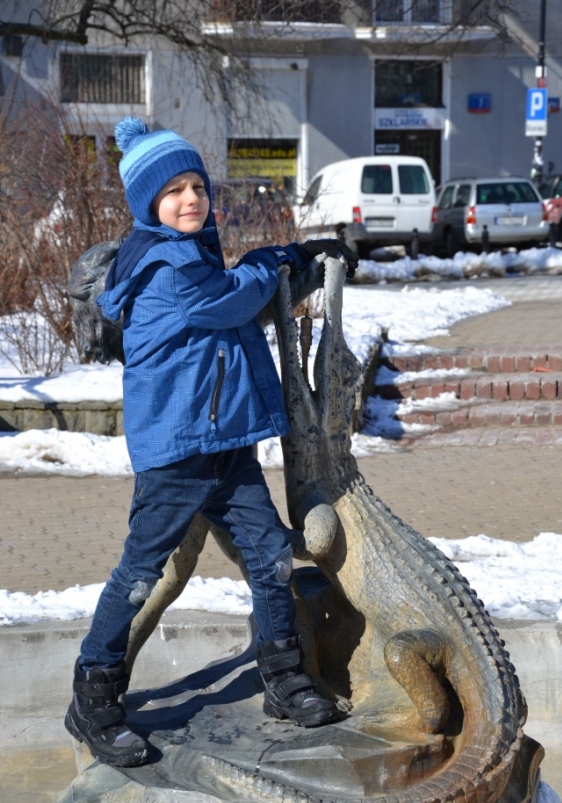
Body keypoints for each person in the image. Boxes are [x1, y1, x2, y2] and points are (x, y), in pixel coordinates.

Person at [64, 118, 358, 767]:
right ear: (148, 205)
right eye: (173, 190)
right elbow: (235, 297)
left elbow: (231, 296)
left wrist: (288, 260)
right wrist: (283, 258)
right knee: (140, 577)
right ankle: (94, 695)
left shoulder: (189, 252)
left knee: (268, 560)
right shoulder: (167, 267)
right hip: (175, 459)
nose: (191, 197)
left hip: (223, 447)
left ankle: (283, 679)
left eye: (198, 184)